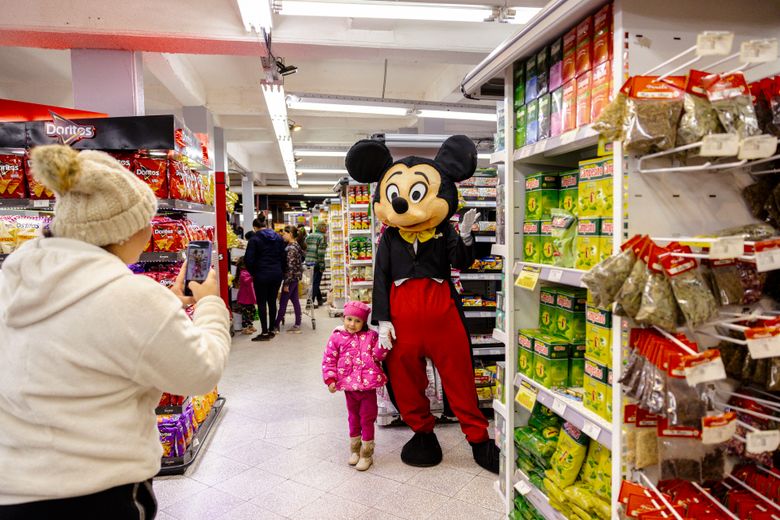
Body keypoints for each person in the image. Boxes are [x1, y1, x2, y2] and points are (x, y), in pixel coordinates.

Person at [0, 145, 231, 518]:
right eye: (146, 222)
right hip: (97, 493)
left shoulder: (13, 281)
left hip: (13, 490)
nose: (150, 232)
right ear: (122, 232)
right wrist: (209, 304)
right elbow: (201, 371)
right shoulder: (130, 297)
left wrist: (166, 303)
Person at [321, 301, 387, 471]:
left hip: (368, 387)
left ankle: (367, 453)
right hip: (349, 388)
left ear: (364, 322)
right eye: (349, 319)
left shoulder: (371, 337)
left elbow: (379, 356)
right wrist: (330, 379)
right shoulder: (336, 337)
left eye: (357, 321)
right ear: (344, 318)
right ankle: (355, 450)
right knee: (353, 418)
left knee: (367, 418)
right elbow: (329, 359)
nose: (352, 324)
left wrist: (385, 341)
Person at [245, 215, 285, 341]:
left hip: (261, 274)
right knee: (272, 301)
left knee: (262, 303)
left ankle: (264, 332)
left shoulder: (254, 238)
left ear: (255, 227)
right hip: (276, 274)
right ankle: (272, 329)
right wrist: (281, 271)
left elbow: (248, 259)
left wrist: (253, 272)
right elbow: (284, 257)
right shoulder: (278, 237)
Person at [273, 225, 304, 334]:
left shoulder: (290, 248)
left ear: (290, 234)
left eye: (285, 234)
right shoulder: (296, 245)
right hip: (295, 277)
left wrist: (286, 283)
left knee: (283, 302)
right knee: (295, 301)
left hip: (290, 278)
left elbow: (290, 267)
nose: (283, 236)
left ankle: (276, 325)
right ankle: (297, 324)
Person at [305, 221, 328, 307]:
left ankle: (320, 299)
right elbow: (321, 253)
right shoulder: (322, 237)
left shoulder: (309, 236)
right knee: (315, 283)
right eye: (326, 227)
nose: (326, 229)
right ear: (322, 228)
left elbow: (304, 247)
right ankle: (310, 302)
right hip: (316, 262)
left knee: (314, 281)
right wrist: (322, 265)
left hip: (308, 262)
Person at [232, 256, 257, 335]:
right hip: (245, 298)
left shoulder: (247, 271)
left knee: (252, 311)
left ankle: (250, 325)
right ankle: (245, 328)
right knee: (246, 314)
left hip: (249, 296)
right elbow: (246, 281)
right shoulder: (243, 272)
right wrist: (252, 276)